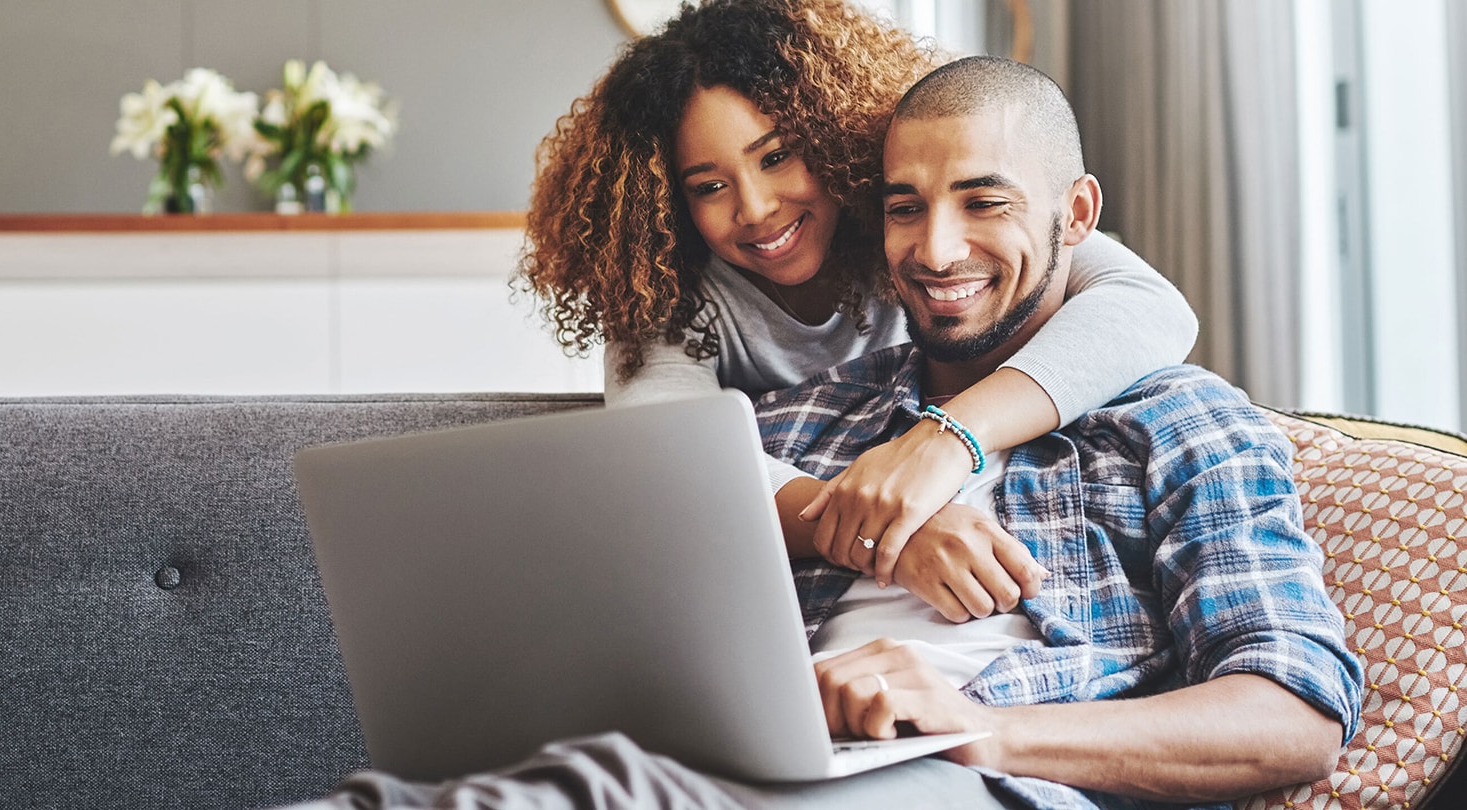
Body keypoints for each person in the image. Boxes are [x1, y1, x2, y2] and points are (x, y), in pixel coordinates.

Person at [299, 55, 1360, 810]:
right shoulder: (793, 419)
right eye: (905, 207)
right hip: (725, 765)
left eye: (981, 202)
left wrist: (973, 725)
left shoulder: (1178, 419)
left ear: (1075, 215)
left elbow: (1295, 713)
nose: (936, 248)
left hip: (969, 775)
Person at [517, 0, 1198, 618]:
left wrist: (948, 438)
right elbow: (665, 460)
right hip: (804, 579)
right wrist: (884, 533)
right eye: (709, 185)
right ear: (666, 201)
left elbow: (1151, 307)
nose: (755, 208)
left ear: (837, 136)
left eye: (778, 156)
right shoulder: (669, 299)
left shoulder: (916, 233)